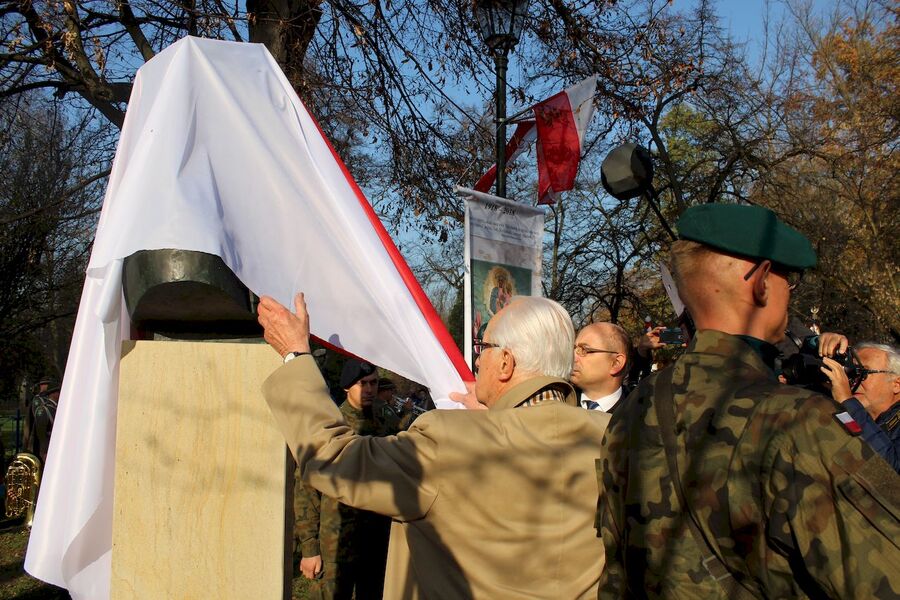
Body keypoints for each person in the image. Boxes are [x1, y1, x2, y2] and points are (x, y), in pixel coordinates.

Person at [598, 203, 900, 599]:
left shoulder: (631, 414)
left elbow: (617, 575)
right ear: (759, 282)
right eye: (787, 279)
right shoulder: (799, 422)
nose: (789, 292)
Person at [259, 294, 609, 598]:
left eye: (482, 348)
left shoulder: (450, 440)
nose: (477, 361)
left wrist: (295, 356)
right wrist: (496, 416)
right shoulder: (615, 437)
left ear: (505, 363)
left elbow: (333, 456)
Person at [294, 360, 392, 599]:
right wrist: (309, 548)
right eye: (363, 384)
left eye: (374, 383)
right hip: (336, 542)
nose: (370, 389)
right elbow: (307, 489)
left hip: (376, 541)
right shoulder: (332, 428)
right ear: (348, 387)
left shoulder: (386, 425)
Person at [821, 342, 900, 473]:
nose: (852, 381)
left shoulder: (850, 409)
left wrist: (847, 401)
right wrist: (822, 346)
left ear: (897, 384)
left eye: (863, 373)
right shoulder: (847, 410)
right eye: (851, 373)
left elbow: (892, 470)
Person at [571, 322, 631, 412]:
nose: (573, 357)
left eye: (584, 350)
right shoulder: (557, 403)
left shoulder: (638, 416)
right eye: (574, 348)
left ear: (616, 363)